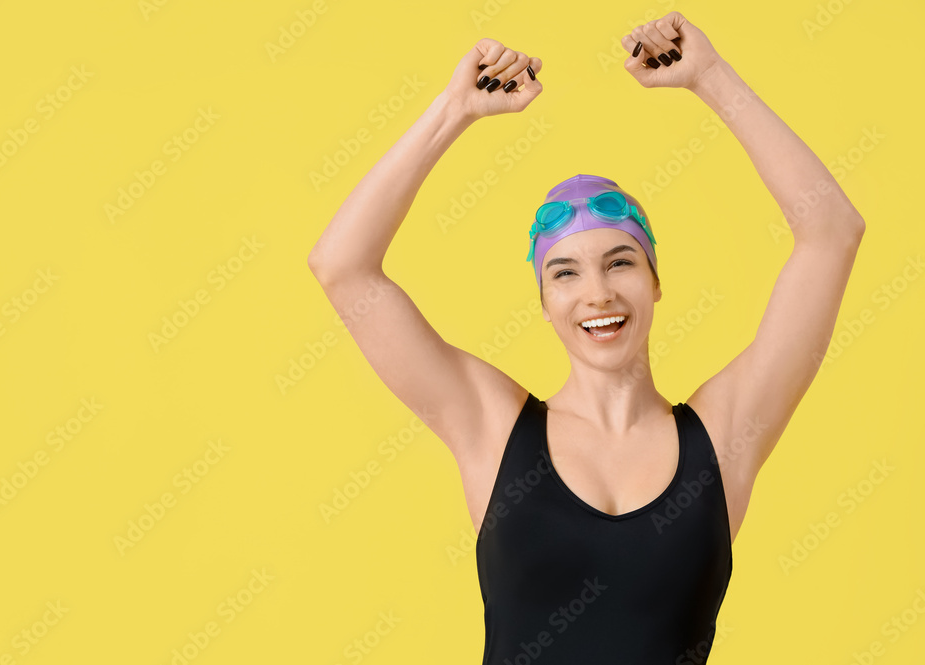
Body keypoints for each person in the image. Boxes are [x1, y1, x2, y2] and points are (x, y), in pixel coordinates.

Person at [308, 11, 864, 664]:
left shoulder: (724, 434)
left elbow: (832, 233)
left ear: (656, 281)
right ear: (545, 303)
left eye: (620, 262)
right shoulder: (491, 425)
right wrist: (454, 110)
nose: (596, 293)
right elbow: (341, 266)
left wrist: (711, 77)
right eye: (564, 273)